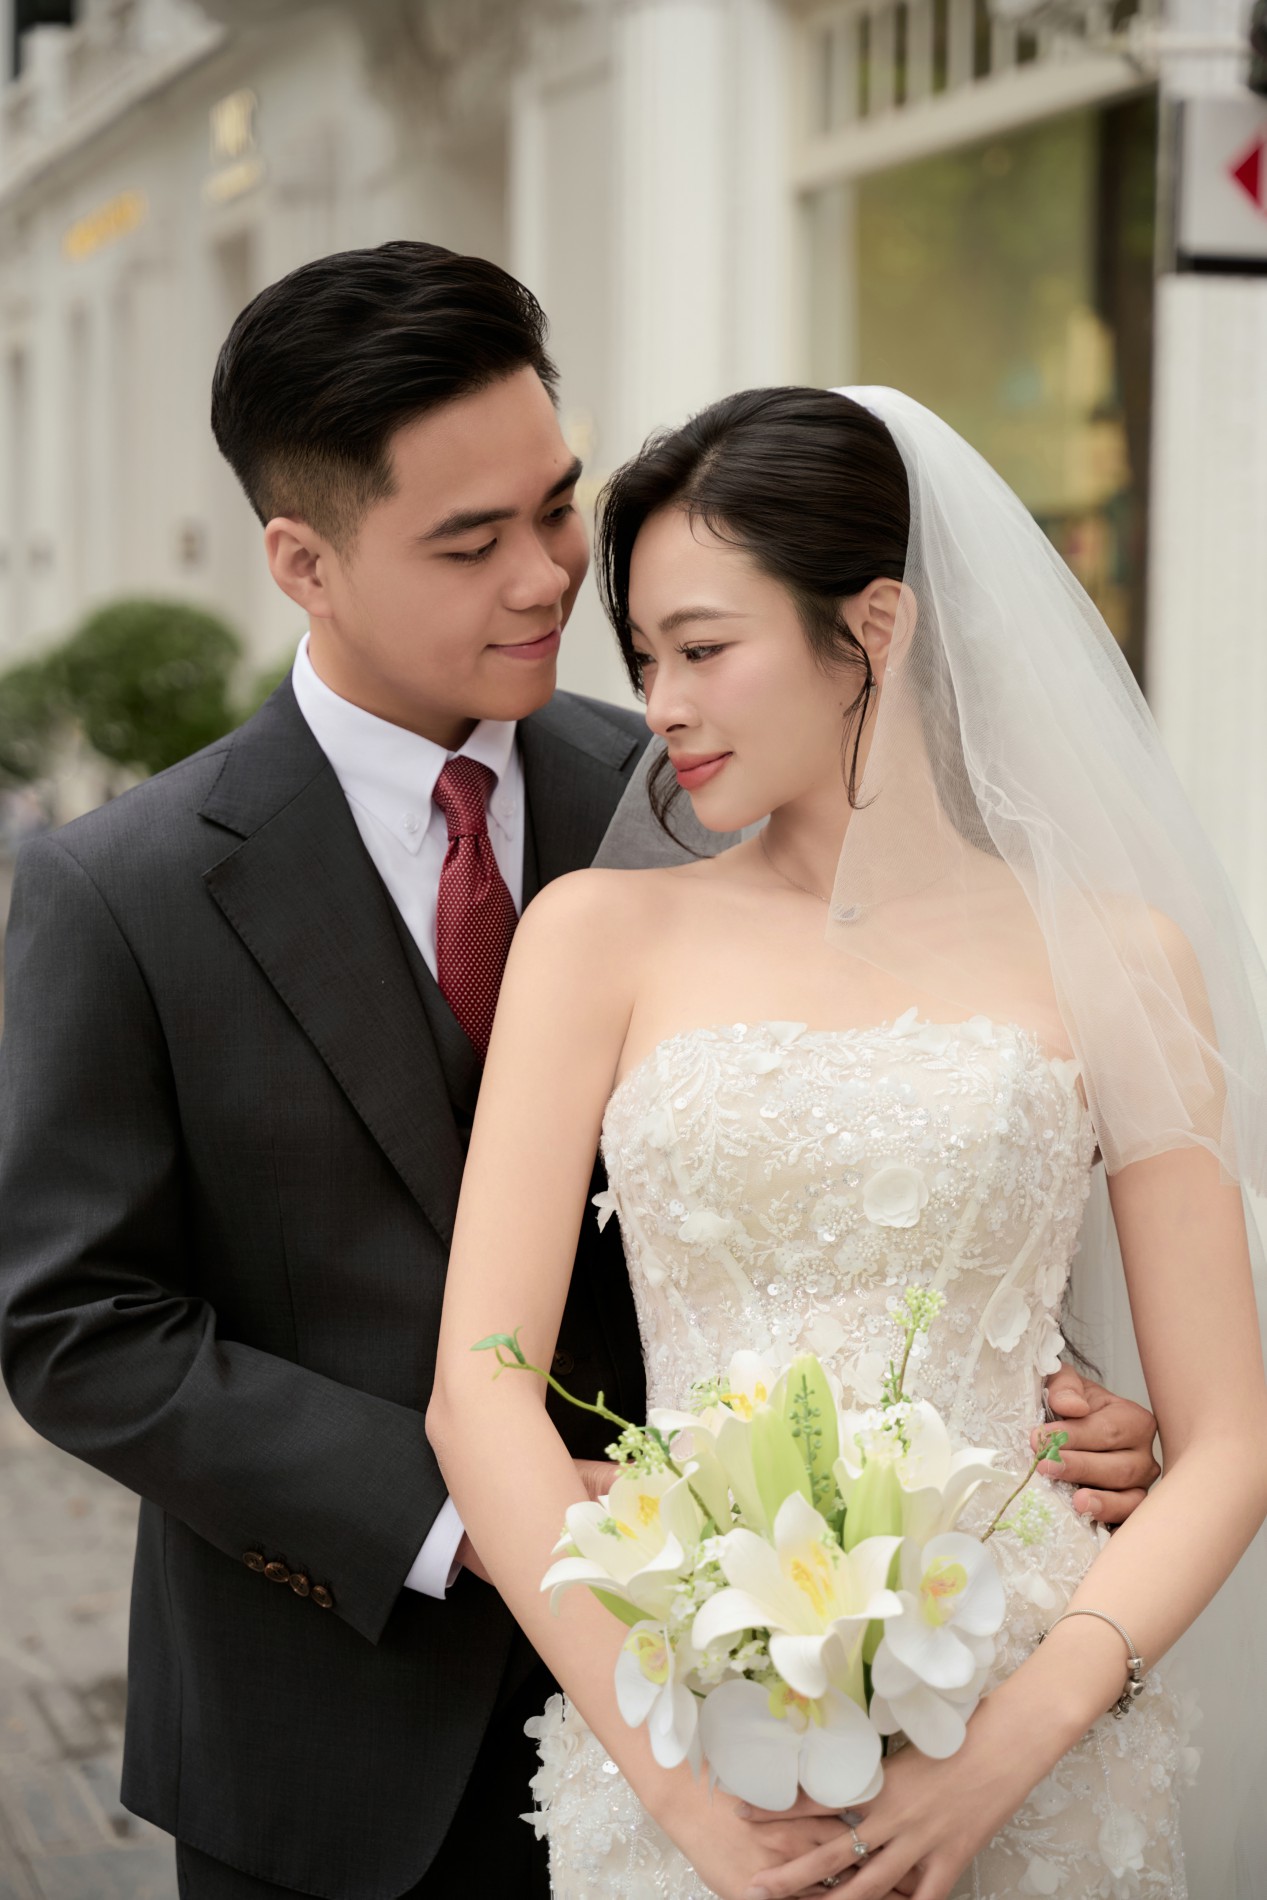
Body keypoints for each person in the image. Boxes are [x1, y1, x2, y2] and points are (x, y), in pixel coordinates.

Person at [0, 247, 1157, 1900]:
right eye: (471, 542)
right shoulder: (125, 887)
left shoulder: (695, 779)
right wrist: (470, 1511)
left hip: (803, 1706)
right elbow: (79, 1326)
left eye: (558, 506)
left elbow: (891, 1138)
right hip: (332, 1728)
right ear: (303, 561)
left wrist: (1057, 1402)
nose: (550, 576)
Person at [427, 385, 1267, 1898]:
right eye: (644, 660)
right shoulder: (595, 936)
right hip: (692, 1712)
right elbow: (479, 1395)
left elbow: (1229, 1442)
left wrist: (1022, 1738)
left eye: (702, 650)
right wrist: (679, 1783)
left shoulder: (1115, 954)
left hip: (1037, 1716)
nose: (659, 704)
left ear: (873, 627)